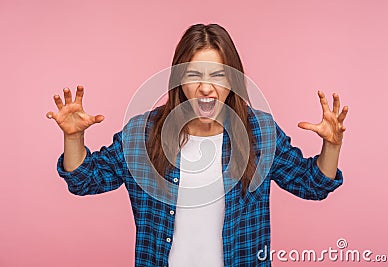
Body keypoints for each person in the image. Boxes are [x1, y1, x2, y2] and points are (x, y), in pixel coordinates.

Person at [46, 23, 348, 267]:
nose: (206, 87)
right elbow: (85, 180)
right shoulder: (142, 132)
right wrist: (74, 138)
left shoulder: (260, 132)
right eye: (194, 75)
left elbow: (312, 185)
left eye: (218, 75)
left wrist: (331, 146)